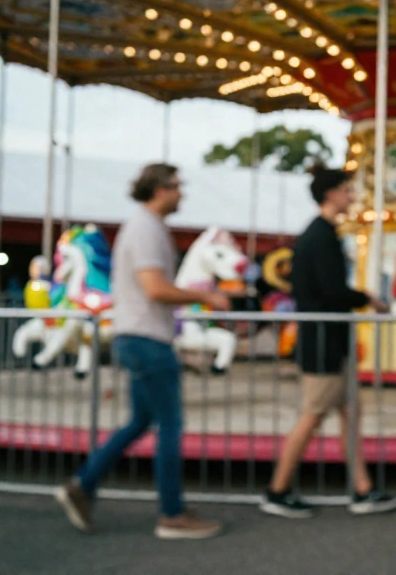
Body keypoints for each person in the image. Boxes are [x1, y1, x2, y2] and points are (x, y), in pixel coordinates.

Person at [54, 163, 231, 539]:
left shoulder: (143, 227)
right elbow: (155, 288)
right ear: (160, 189)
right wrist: (205, 295)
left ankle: (82, 485)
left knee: (139, 422)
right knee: (171, 424)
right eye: (177, 186)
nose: (182, 194)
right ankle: (171, 513)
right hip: (148, 338)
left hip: (136, 335)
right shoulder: (148, 229)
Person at [260, 165, 396, 518]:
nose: (351, 196)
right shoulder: (320, 236)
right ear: (331, 194)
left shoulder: (320, 234)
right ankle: (277, 489)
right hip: (323, 341)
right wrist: (366, 297)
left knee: (350, 412)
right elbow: (332, 292)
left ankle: (362, 489)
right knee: (312, 415)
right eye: (346, 190)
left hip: (330, 341)